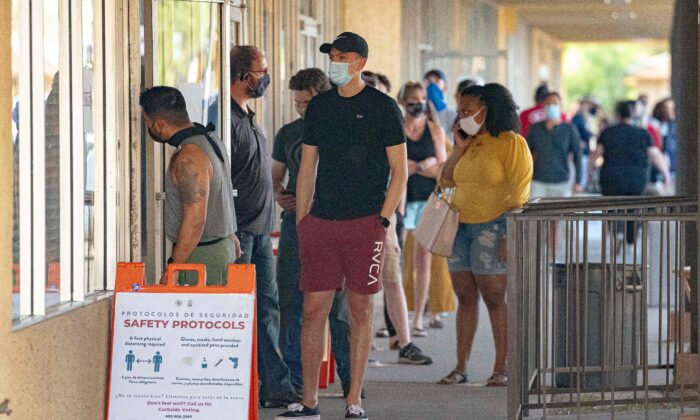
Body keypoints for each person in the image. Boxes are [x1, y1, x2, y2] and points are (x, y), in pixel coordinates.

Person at [276, 32, 407, 420]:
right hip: (321, 222)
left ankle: (353, 401)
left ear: (360, 63)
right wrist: (303, 220)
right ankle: (310, 401)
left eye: (342, 56)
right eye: (331, 55)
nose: (335, 61)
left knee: (359, 310)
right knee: (313, 309)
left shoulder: (384, 108)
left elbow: (399, 171)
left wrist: (382, 220)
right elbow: (307, 169)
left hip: (366, 222)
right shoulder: (319, 108)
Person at [438, 83, 533, 387]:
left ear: (487, 110)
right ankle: (460, 366)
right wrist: (458, 149)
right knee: (465, 298)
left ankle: (501, 368)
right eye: (460, 110)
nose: (462, 115)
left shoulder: (511, 142)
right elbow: (446, 179)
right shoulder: (467, 142)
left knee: (494, 297)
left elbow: (519, 190)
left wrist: (508, 233)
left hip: (494, 227)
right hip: (460, 227)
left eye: (468, 110)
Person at [271, 68, 354, 397]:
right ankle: (293, 384)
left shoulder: (346, 129)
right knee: (291, 301)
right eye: (297, 103)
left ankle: (351, 383)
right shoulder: (289, 133)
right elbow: (275, 175)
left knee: (338, 306)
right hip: (296, 223)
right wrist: (279, 194)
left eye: (307, 103)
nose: (302, 109)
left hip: (336, 221)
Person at [224, 45, 298, 408]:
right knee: (244, 310)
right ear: (243, 76)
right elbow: (222, 181)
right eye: (261, 70)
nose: (266, 76)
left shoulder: (249, 117)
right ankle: (245, 385)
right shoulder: (224, 119)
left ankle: (274, 385)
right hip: (240, 232)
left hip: (260, 228)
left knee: (268, 307)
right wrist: (231, 231)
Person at [139, 86, 240, 286]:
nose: (147, 128)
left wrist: (173, 266)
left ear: (159, 124)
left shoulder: (189, 157)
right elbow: (220, 197)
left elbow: (195, 220)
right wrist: (230, 234)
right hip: (219, 247)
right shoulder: (211, 140)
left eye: (147, 122)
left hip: (201, 256)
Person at [396, 81, 448, 336]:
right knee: (395, 259)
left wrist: (423, 167)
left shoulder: (434, 130)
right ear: (403, 102)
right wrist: (415, 167)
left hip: (427, 200)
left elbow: (444, 168)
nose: (419, 105)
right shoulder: (395, 128)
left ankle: (418, 318)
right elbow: (389, 163)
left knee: (423, 260)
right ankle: (395, 319)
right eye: (413, 101)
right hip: (400, 200)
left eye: (422, 99)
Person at [589, 100, 671, 244]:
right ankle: (630, 240)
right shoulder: (642, 133)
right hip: (636, 178)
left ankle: (616, 233)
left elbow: (596, 154)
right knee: (633, 208)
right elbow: (655, 154)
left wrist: (590, 174)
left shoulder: (608, 132)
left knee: (611, 206)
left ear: (617, 114)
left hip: (611, 177)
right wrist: (666, 175)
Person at [527, 92, 583, 198]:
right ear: (544, 106)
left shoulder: (569, 129)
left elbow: (577, 155)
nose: (551, 106)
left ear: (560, 106)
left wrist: (578, 181)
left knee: (563, 214)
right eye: (548, 104)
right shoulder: (535, 129)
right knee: (536, 213)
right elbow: (527, 154)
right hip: (538, 182)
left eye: (554, 103)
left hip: (562, 182)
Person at [571, 95, 599, 189]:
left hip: (586, 152)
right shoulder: (577, 118)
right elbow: (573, 133)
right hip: (580, 153)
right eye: (589, 104)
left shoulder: (587, 119)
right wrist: (578, 142)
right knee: (580, 180)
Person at [423, 69, 458, 142]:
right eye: (429, 82)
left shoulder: (453, 116)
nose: (432, 85)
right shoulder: (418, 113)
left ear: (445, 88)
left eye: (436, 81)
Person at [651, 98, 677, 183]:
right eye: (669, 108)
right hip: (659, 165)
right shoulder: (654, 125)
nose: (671, 111)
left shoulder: (673, 126)